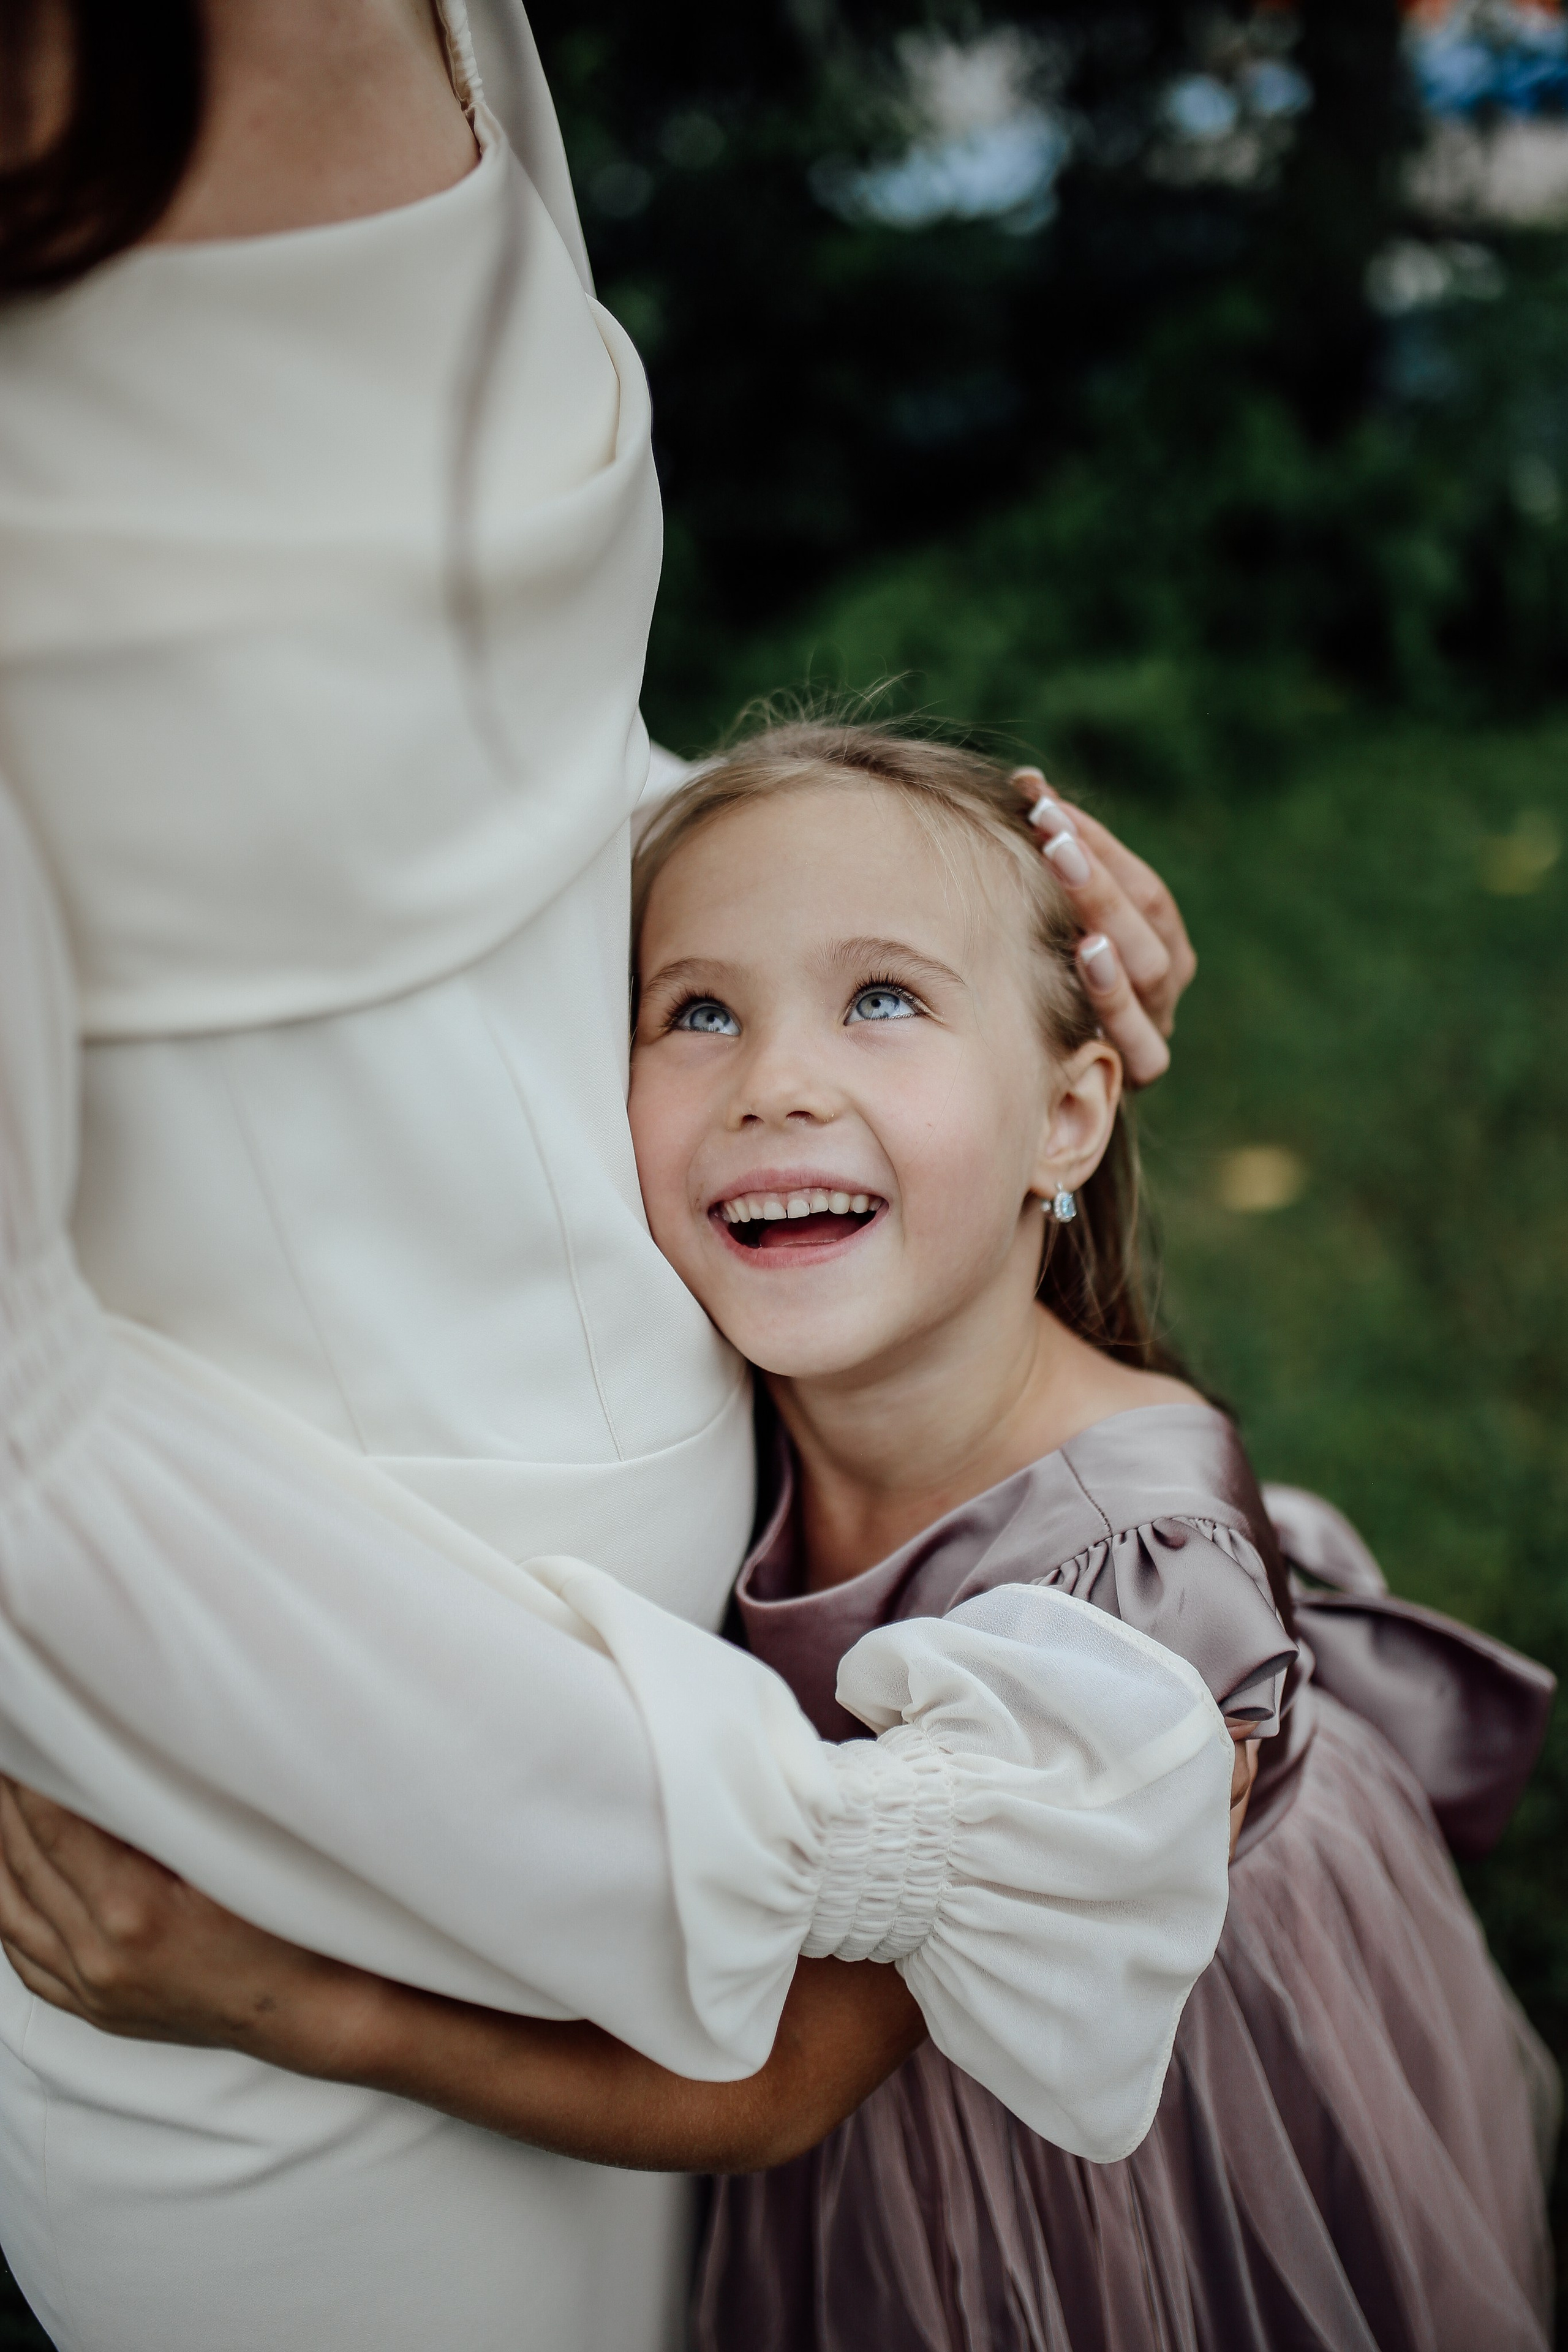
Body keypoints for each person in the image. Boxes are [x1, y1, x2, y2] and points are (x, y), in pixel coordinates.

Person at [0, 5, 1215, 2347]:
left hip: (756, 1591)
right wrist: (810, 1853)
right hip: (292, 1807)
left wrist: (928, 899)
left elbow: (479, 799)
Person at [3, 721, 1555, 2352]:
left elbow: (779, 2089)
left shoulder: (1125, 1593)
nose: (776, 1084)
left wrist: (284, 2004)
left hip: (1120, 2165)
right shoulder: (739, 1404)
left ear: (1070, 1117)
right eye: (698, 1011)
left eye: (883, 998)